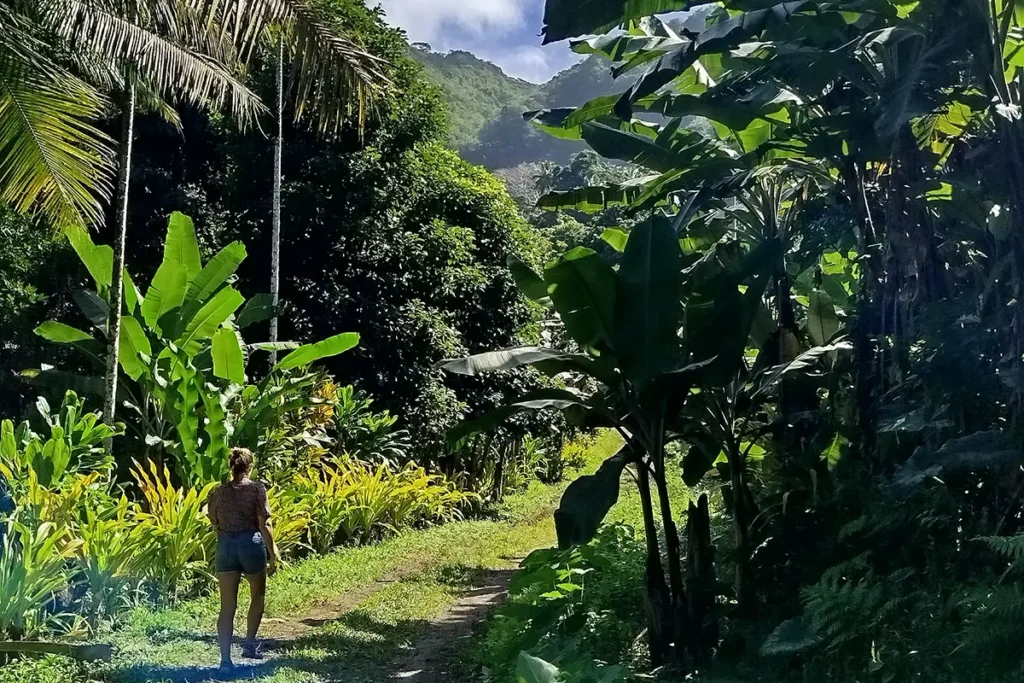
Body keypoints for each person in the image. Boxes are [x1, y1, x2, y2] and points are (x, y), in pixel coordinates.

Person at [207, 447, 279, 671]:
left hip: (226, 546)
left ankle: (225, 661)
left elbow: (212, 517)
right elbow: (264, 523)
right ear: (249, 466)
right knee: (257, 595)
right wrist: (273, 551)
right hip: (251, 544)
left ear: (232, 467)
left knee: (227, 606)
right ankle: (249, 643)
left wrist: (223, 531)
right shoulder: (257, 489)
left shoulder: (219, 491)